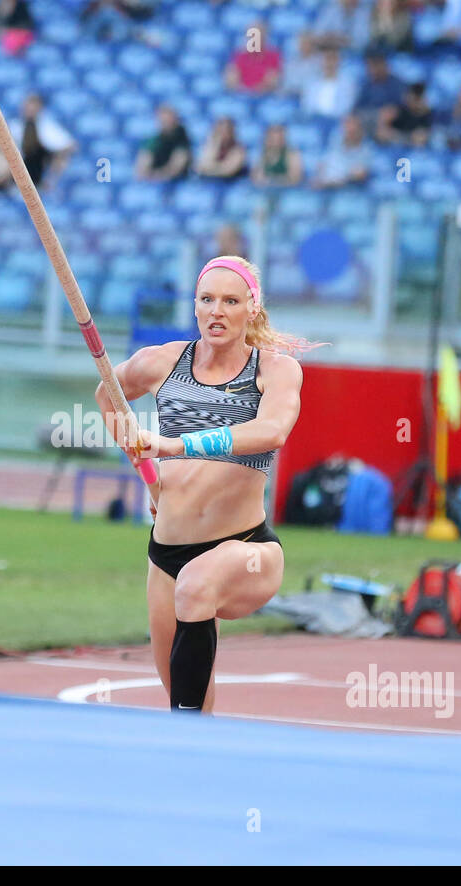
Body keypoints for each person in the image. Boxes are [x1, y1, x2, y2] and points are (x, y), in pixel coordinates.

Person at [94, 257, 307, 714]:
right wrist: (147, 473)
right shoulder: (161, 362)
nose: (217, 311)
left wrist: (174, 447)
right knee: (186, 705)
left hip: (247, 550)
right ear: (194, 307)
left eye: (231, 301)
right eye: (207, 300)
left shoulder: (275, 370)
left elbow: (271, 432)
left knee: (196, 585)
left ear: (252, 308)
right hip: (166, 553)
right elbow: (106, 394)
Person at [9, 93, 76, 188]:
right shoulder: (14, 126)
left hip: (40, 165)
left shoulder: (48, 127)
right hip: (17, 166)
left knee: (61, 159)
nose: (30, 111)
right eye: (27, 108)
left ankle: (48, 187)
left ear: (39, 109)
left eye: (33, 108)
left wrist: (57, 153)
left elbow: (70, 145)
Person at [134, 104, 191, 182]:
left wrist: (158, 175)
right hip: (154, 181)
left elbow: (176, 167)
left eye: (168, 119)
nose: (166, 123)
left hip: (175, 182)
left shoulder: (182, 140)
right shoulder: (153, 141)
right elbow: (141, 167)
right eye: (163, 120)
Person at [223, 21, 282, 94]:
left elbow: (273, 80)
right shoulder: (239, 55)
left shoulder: (273, 56)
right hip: (242, 95)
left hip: (264, 96)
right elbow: (231, 79)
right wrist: (244, 91)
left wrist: (256, 91)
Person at [315, 114, 373, 188]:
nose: (349, 129)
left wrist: (334, 180)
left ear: (360, 129)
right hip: (328, 187)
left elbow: (360, 174)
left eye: (353, 126)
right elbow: (322, 165)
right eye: (346, 125)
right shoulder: (336, 141)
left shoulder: (367, 149)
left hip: (352, 191)